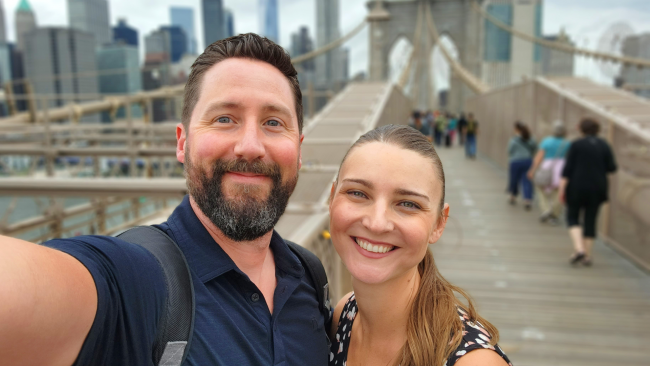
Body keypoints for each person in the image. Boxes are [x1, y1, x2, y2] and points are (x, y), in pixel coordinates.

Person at [0, 34, 330, 366]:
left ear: (299, 150)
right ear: (181, 143)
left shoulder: (310, 278)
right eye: (224, 119)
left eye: (273, 123)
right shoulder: (138, 280)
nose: (250, 146)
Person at [328, 125, 512, 366]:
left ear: (438, 223)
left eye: (408, 204)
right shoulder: (346, 315)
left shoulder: (474, 362)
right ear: (331, 199)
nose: (376, 223)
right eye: (358, 193)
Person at [560, 118, 617, 266]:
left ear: (580, 129)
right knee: (591, 220)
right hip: (598, 187)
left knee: (572, 217)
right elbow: (612, 167)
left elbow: (567, 170)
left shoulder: (576, 145)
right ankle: (587, 255)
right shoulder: (604, 145)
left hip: (576, 186)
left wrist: (561, 190)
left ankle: (579, 249)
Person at [527, 121, 571, 225]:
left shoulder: (546, 141)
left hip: (547, 167)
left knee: (540, 188)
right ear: (564, 132)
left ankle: (546, 209)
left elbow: (538, 157)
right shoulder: (568, 143)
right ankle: (554, 215)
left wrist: (532, 170)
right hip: (562, 168)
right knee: (559, 191)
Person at [507, 121, 537, 210]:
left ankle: (513, 196)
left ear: (516, 129)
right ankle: (527, 199)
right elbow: (535, 148)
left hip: (515, 162)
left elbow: (509, 150)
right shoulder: (531, 138)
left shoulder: (513, 139)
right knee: (527, 180)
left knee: (514, 179)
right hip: (528, 161)